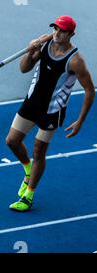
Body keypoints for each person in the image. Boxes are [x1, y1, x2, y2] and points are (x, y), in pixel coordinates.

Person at [6, 15, 95, 212]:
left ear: (71, 34)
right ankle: (28, 169)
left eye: (62, 30)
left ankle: (28, 196)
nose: (57, 33)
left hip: (52, 111)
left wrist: (80, 120)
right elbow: (23, 69)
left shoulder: (75, 61)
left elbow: (90, 90)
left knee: (39, 150)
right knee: (12, 141)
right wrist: (31, 52)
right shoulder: (45, 46)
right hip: (32, 104)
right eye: (55, 28)